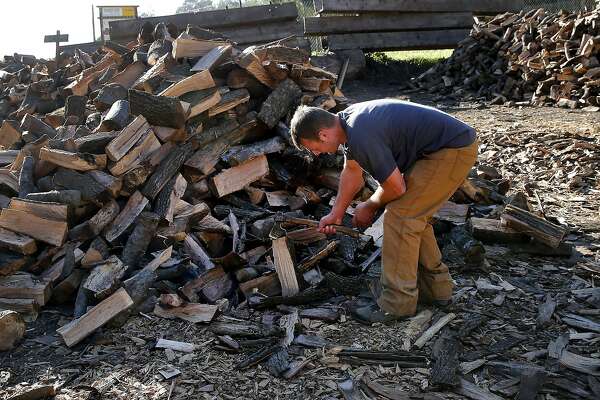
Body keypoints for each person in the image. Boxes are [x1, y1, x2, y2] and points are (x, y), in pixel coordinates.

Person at [289, 99, 478, 323]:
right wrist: (336, 213)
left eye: (313, 148)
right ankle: (437, 291)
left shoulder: (360, 133)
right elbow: (351, 170)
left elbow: (396, 187)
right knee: (412, 216)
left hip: (451, 150)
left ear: (322, 135)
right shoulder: (349, 124)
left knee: (401, 217)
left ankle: (397, 305)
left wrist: (369, 204)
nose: (317, 154)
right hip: (440, 150)